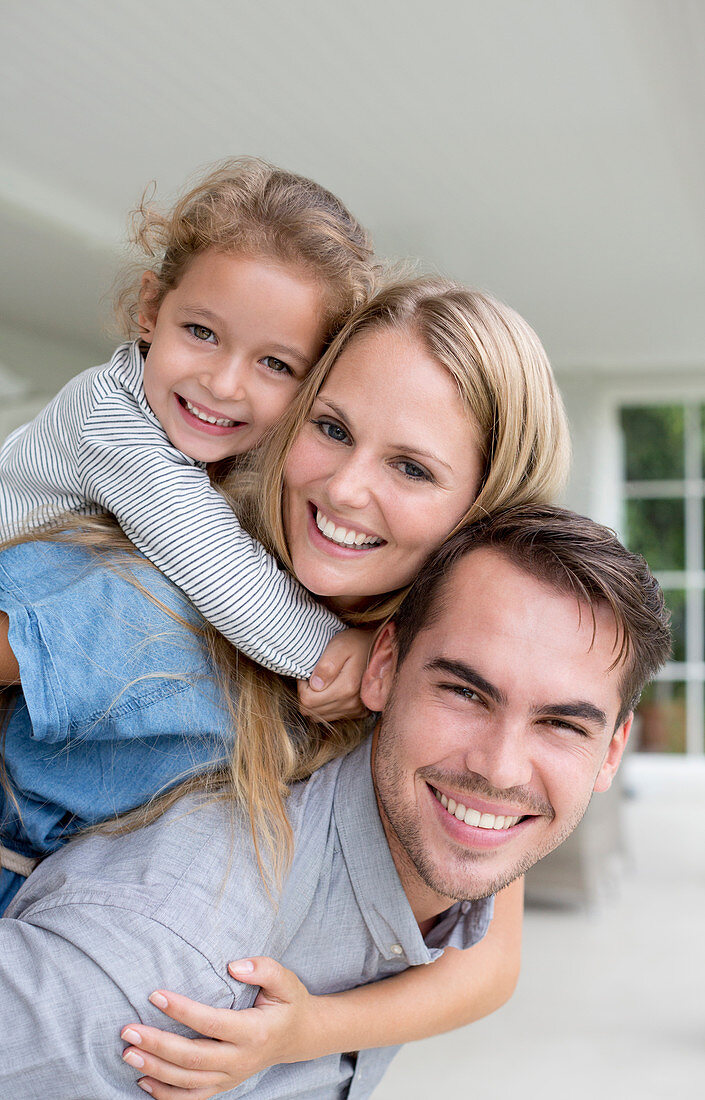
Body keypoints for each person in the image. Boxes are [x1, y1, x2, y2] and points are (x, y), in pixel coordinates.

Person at [0, 277, 568, 1081]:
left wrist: (301, 1031)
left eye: (410, 467)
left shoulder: (440, 692)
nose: (342, 488)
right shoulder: (152, 595)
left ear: (484, 511)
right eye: (331, 428)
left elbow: (490, 963)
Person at [0, 506, 671, 1099]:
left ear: (609, 753)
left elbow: (491, 969)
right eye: (464, 692)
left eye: (560, 724)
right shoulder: (170, 979)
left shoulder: (442, 863)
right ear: (381, 669)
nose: (497, 768)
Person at [0, 155, 378, 695]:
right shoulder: (107, 419)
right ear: (151, 308)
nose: (224, 385)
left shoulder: (252, 455)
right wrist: (344, 654)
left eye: (275, 365)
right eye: (202, 332)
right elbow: (216, 567)